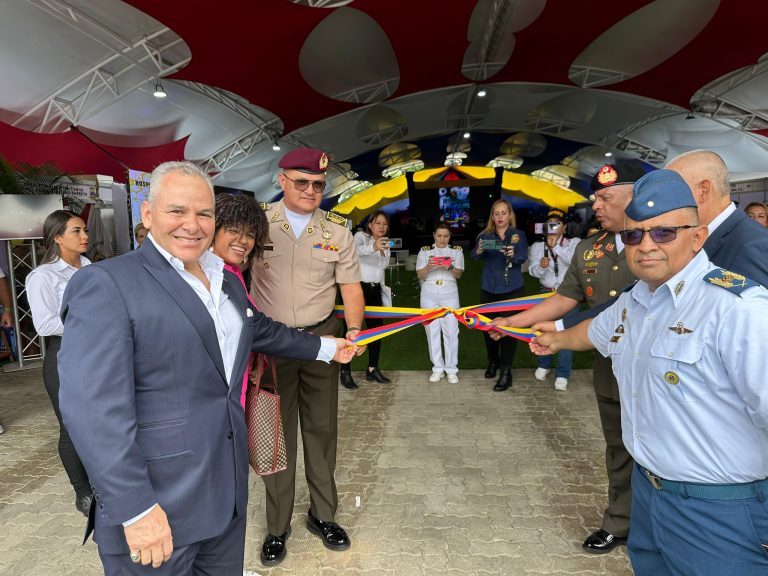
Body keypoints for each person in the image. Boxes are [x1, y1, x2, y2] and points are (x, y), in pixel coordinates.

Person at [56, 161, 356, 575]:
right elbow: (91, 412)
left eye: (204, 213)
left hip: (224, 499)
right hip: (157, 508)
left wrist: (325, 348)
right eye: (177, 211)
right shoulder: (108, 285)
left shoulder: (226, 279)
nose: (192, 225)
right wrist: (135, 508)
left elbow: (259, 328)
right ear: (148, 214)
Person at [532, 169, 768, 576]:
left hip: (720, 510)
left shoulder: (737, 309)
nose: (646, 246)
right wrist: (556, 340)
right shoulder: (636, 301)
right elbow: (597, 331)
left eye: (663, 233)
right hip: (649, 497)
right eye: (634, 235)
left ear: (698, 237)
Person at [492, 161, 647, 553]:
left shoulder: (655, 242)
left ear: (634, 197)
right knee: (618, 446)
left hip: (653, 369)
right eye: (595, 197)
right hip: (610, 369)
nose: (596, 205)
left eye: (605, 197)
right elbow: (564, 299)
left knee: (663, 449)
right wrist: (512, 321)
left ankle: (659, 525)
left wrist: (560, 335)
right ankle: (620, 521)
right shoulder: (590, 248)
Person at [250, 148, 365, 566]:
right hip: (271, 344)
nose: (311, 190)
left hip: (323, 342)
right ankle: (277, 527)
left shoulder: (337, 230)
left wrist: (353, 331)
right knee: (276, 438)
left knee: (322, 431)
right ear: (282, 180)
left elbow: (350, 286)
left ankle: (323, 516)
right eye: (302, 182)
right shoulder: (257, 221)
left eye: (318, 184)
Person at [25, 210, 92, 516]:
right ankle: (83, 492)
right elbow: (45, 324)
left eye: (84, 230)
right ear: (57, 237)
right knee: (71, 426)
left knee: (97, 421)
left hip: (95, 354)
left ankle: (102, 482)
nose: (85, 236)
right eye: (77, 231)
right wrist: (90, 321)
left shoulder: (89, 266)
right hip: (63, 356)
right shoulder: (42, 276)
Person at [212, 192, 270, 408]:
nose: (243, 241)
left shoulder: (232, 272)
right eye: (234, 230)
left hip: (239, 383)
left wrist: (257, 357)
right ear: (213, 229)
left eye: (250, 234)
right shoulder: (204, 274)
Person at [470, 198, 528, 391]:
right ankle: (493, 361)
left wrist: (513, 254)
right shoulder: (485, 235)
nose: (500, 217)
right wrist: (478, 249)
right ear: (492, 217)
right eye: (497, 213)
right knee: (488, 329)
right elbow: (474, 255)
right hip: (489, 289)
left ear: (510, 214)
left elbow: (522, 258)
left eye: (504, 213)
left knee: (509, 331)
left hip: (512, 290)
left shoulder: (518, 235)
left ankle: (506, 371)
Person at [526, 208, 577, 391]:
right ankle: (544, 363)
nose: (553, 228)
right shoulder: (538, 246)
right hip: (545, 292)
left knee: (566, 333)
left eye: (557, 224)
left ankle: (563, 373)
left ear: (564, 227)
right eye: (549, 224)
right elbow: (532, 271)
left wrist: (555, 247)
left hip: (568, 294)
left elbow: (574, 262)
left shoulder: (574, 243)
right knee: (541, 329)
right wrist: (540, 266)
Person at [339, 210, 390, 389]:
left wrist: (381, 250)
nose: (382, 227)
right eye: (378, 223)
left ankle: (373, 368)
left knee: (376, 331)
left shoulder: (386, 243)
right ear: (370, 225)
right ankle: (345, 371)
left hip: (375, 291)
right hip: (358, 289)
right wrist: (374, 247)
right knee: (351, 331)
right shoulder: (360, 236)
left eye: (384, 224)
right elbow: (354, 251)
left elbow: (383, 266)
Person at [416, 222, 464, 383]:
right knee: (432, 332)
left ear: (450, 236)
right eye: (439, 236)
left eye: (446, 236)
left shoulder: (456, 252)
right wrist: (429, 266)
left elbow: (458, 275)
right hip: (429, 293)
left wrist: (449, 266)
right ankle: (437, 367)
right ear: (434, 236)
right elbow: (419, 275)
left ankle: (451, 369)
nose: (442, 239)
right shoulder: (425, 252)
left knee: (451, 332)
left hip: (449, 293)